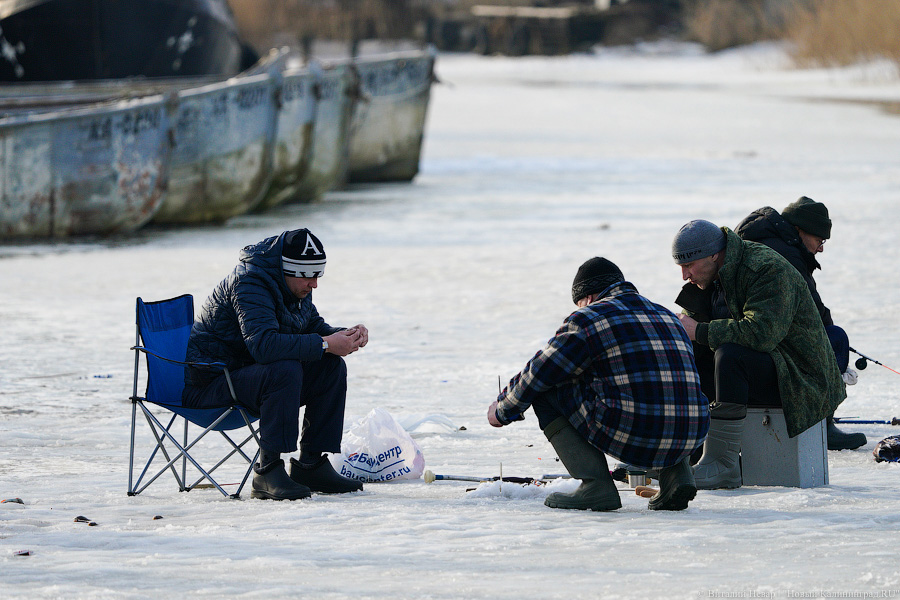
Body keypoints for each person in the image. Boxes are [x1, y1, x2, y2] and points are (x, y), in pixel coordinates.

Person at [487, 257, 710, 512]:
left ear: (589, 297)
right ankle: (677, 476)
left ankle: (595, 486)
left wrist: (502, 409)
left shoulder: (588, 318)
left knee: (548, 388)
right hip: (692, 434)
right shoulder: (667, 316)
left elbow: (540, 371)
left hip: (638, 435)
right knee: (666, 393)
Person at [183, 228, 367, 500]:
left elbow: (312, 327)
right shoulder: (249, 283)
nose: (314, 284)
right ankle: (267, 472)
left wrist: (345, 335)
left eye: (318, 275)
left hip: (248, 377)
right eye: (307, 276)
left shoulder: (294, 285)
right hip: (211, 383)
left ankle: (311, 465)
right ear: (285, 269)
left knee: (330, 366)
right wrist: (326, 343)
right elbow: (264, 346)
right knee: (284, 369)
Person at [672, 219, 846, 489]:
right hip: (773, 366)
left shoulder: (765, 268)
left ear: (714, 255)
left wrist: (700, 331)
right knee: (690, 355)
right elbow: (696, 331)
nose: (685, 275)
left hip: (801, 377)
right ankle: (687, 455)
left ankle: (723, 464)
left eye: (689, 265)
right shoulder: (710, 278)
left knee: (730, 356)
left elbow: (762, 334)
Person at [735, 196, 865, 450]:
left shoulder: (766, 240)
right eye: (819, 240)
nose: (821, 248)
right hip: (765, 342)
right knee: (834, 338)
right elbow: (813, 311)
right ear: (799, 230)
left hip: (754, 335)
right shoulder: (787, 255)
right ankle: (822, 423)